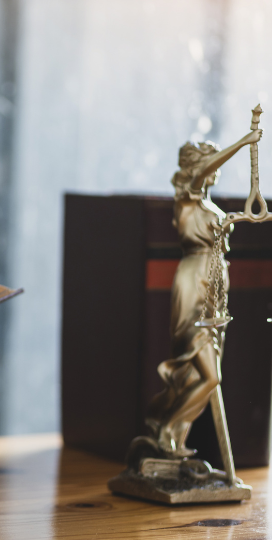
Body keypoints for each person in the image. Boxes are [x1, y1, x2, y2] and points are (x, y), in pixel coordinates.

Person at [146, 130, 260, 458]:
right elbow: (203, 172)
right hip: (194, 280)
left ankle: (175, 444)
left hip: (215, 285)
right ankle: (168, 426)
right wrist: (244, 142)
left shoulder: (208, 205)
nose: (215, 169)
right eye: (210, 162)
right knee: (211, 376)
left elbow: (219, 234)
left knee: (202, 374)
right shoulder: (187, 196)